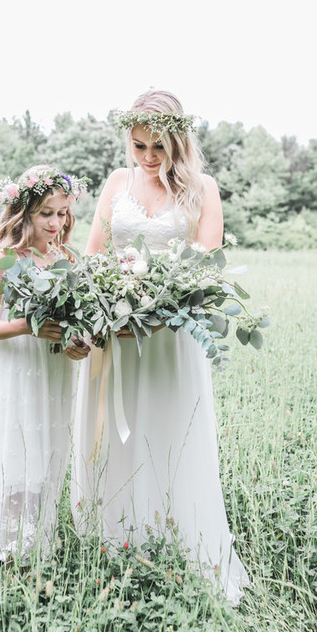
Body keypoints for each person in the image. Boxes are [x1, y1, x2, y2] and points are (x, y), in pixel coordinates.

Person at [71, 90, 250, 604]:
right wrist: (104, 308)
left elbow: (205, 265)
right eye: (139, 146)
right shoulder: (117, 182)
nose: (148, 157)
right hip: (116, 333)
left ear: (178, 142)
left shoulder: (203, 189)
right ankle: (113, 543)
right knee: (117, 437)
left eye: (159, 147)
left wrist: (154, 305)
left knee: (168, 435)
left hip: (171, 337)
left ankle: (175, 544)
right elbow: (94, 257)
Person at [0, 165, 90, 562]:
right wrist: (27, 327)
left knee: (49, 451)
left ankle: (41, 538)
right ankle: (10, 547)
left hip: (57, 368)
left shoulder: (66, 257)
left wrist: (78, 341)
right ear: (24, 211)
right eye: (46, 213)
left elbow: (75, 319)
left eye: (62, 213)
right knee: (19, 452)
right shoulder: (1, 258)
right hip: (20, 367)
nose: (56, 223)